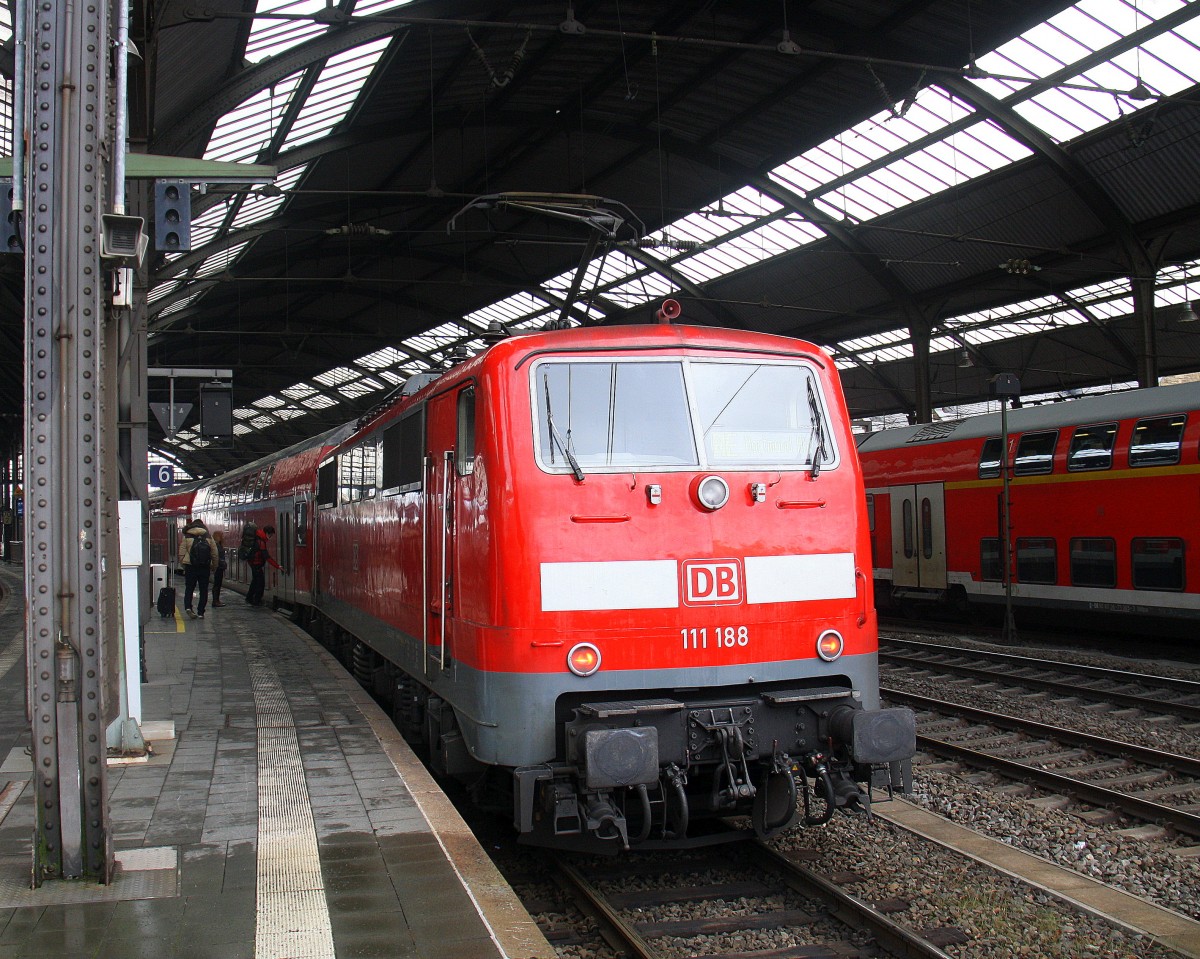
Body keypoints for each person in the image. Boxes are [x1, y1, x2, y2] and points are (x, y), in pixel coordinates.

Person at [180, 518, 218, 619]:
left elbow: (181, 553)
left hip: (190, 566)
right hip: (204, 567)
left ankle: (188, 607)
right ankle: (201, 612)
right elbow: (214, 553)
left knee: (189, 588)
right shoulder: (208, 536)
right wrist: (214, 566)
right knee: (203, 590)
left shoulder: (187, 536)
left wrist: (184, 565)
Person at [246, 524, 284, 607]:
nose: (270, 537)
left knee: (255, 581)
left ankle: (249, 598)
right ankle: (257, 601)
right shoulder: (261, 542)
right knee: (261, 583)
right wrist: (278, 566)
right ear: (267, 533)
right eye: (270, 535)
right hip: (256, 564)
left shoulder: (258, 537)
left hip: (253, 563)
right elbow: (267, 557)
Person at [211, 530, 227, 606]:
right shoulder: (217, 546)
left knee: (217, 584)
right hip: (218, 567)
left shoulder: (216, 545)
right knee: (217, 584)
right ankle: (215, 601)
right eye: (222, 535)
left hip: (219, 566)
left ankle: (216, 600)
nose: (223, 537)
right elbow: (217, 556)